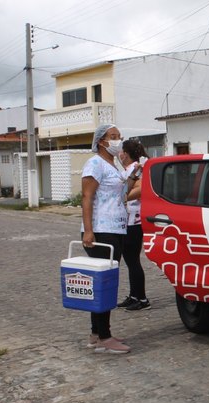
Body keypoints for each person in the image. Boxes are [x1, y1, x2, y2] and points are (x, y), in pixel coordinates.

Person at [81, 124, 130, 354]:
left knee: (104, 282)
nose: (117, 140)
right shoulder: (95, 164)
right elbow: (87, 197)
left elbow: (120, 195)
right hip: (101, 230)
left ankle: (96, 333)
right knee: (105, 283)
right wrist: (89, 230)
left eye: (119, 136)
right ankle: (104, 336)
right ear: (101, 141)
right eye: (113, 136)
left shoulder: (114, 163)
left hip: (116, 228)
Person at [117, 139, 151, 311]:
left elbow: (141, 188)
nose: (119, 154)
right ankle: (134, 295)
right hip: (127, 221)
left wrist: (123, 197)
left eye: (121, 151)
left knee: (133, 260)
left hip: (134, 222)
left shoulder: (136, 169)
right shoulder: (130, 169)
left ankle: (142, 298)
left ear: (126, 153)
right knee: (130, 261)